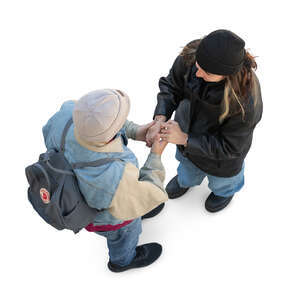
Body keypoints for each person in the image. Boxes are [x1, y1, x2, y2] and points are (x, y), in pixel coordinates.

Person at [42, 89, 168, 272]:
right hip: (109, 218)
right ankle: (122, 260)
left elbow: (96, 122)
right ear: (110, 134)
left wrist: (135, 131)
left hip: (84, 191)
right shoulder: (111, 175)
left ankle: (138, 216)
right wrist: (155, 154)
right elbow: (144, 193)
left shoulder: (67, 114)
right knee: (125, 233)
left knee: (132, 201)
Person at [146, 29, 263, 212]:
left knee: (223, 182)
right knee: (186, 172)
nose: (197, 73)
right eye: (198, 66)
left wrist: (185, 139)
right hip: (186, 146)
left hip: (222, 162)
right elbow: (172, 86)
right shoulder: (192, 57)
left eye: (206, 72)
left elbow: (230, 147)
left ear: (227, 75)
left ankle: (224, 192)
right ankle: (187, 181)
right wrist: (160, 117)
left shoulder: (246, 102)